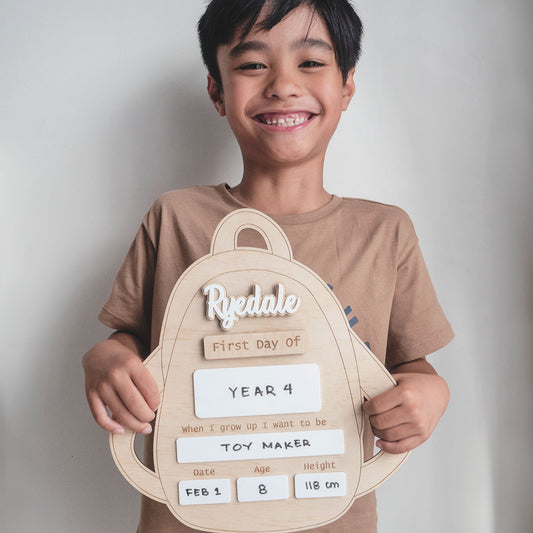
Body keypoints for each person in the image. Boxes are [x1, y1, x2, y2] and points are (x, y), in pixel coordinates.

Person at [82, 1, 454, 531]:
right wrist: (104, 359)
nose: (283, 85)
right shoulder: (175, 218)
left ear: (347, 85)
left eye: (311, 63)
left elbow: (412, 366)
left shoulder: (385, 231)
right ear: (217, 91)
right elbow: (129, 339)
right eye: (253, 64)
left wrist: (432, 394)